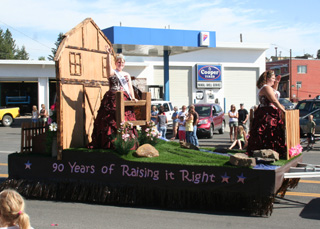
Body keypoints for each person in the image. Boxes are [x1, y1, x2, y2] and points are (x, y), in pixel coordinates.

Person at [89, 47, 140, 149]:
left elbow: (129, 87)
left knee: (126, 118)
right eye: (118, 62)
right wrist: (108, 55)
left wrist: (133, 97)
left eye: (122, 62)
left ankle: (127, 143)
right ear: (115, 63)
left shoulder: (126, 74)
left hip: (124, 98)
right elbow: (108, 66)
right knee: (109, 120)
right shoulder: (112, 72)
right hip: (112, 98)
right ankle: (110, 143)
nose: (120, 64)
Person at [247, 70, 286, 158]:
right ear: (268, 79)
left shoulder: (269, 88)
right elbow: (274, 100)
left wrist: (276, 83)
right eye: (272, 78)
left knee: (274, 131)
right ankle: (265, 150)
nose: (274, 80)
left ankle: (274, 150)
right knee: (268, 130)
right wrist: (283, 109)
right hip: (267, 113)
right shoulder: (265, 87)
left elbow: (274, 93)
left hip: (271, 112)